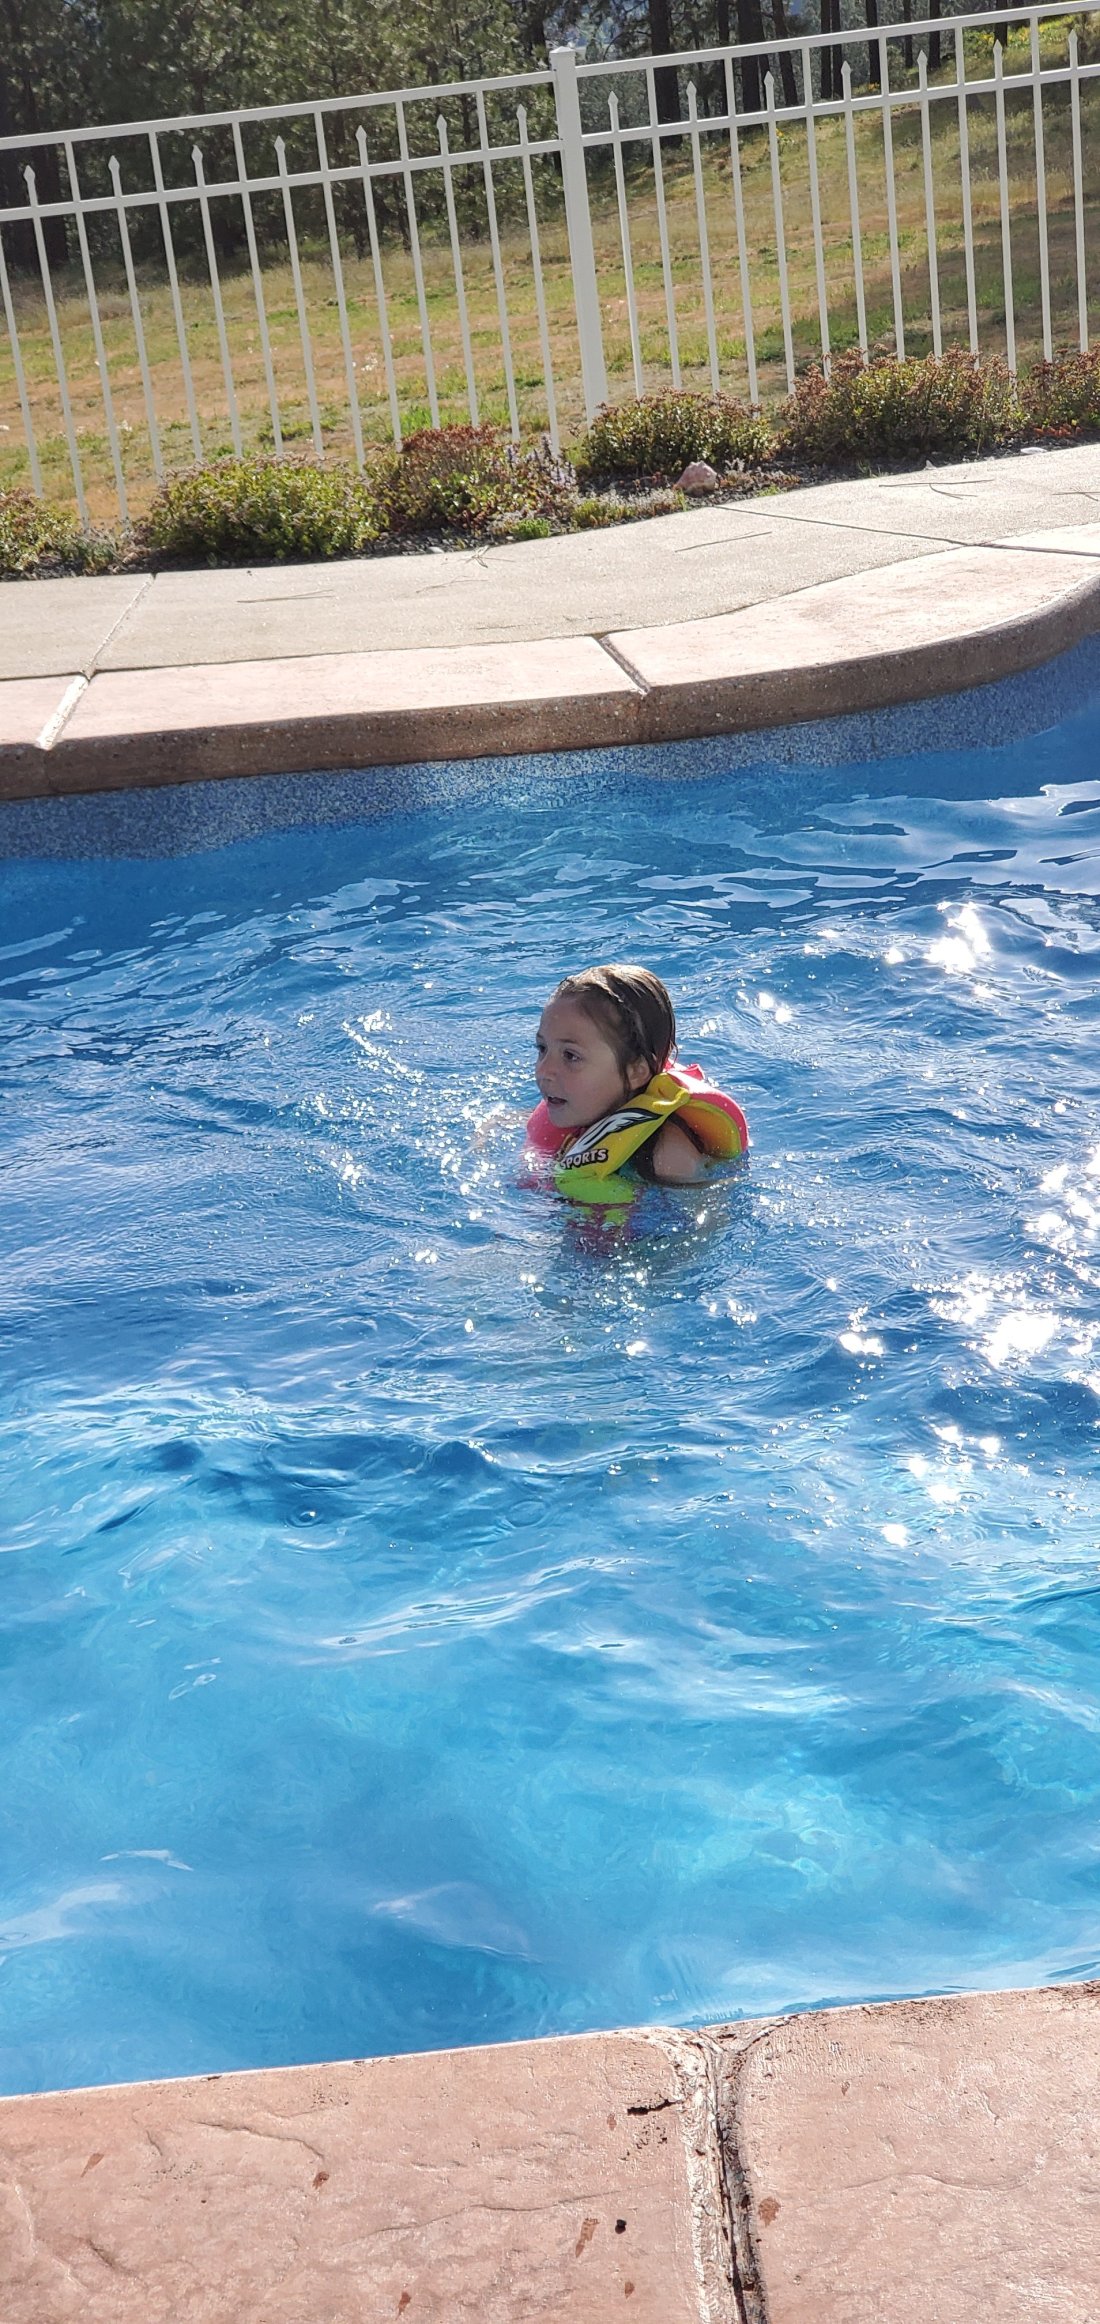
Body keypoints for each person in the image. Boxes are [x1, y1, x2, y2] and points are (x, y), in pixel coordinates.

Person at [528, 964, 748, 1204]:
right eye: (542, 1048)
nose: (543, 1070)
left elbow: (706, 1219)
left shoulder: (667, 1156)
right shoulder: (579, 1109)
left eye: (571, 1056)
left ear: (636, 1072)